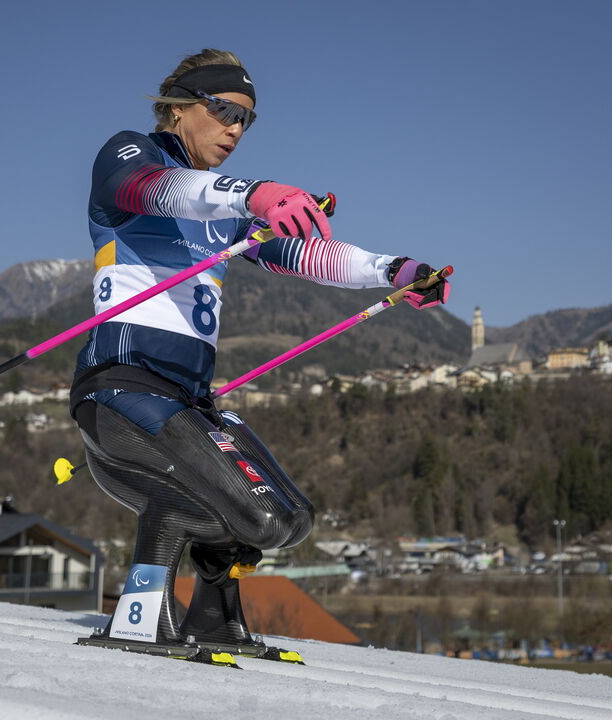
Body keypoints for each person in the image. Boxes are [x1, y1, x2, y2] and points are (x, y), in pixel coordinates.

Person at [70, 49, 449, 662]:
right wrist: (255, 194)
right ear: (177, 107)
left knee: (285, 519)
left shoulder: (223, 213)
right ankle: (142, 617)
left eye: (247, 119)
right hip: (121, 388)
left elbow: (308, 255)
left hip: (187, 399)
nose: (235, 129)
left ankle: (215, 620)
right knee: (239, 510)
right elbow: (156, 190)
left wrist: (396, 270)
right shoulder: (130, 154)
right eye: (222, 110)